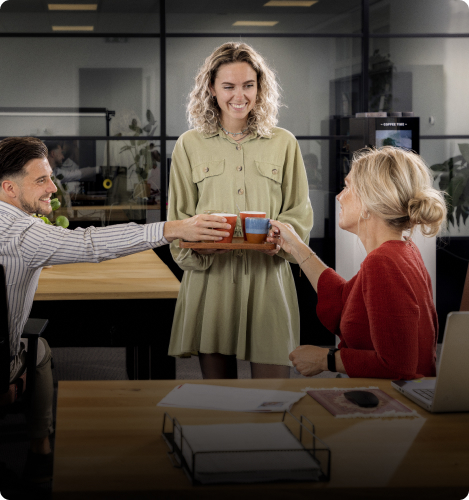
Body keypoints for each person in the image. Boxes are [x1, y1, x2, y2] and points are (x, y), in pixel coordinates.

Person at [0, 136, 231, 483]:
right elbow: (89, 244)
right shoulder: (22, 234)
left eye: (50, 176)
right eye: (41, 179)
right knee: (38, 351)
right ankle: (40, 449)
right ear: (8, 188)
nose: (53, 187)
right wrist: (175, 228)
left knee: (40, 349)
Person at [167, 42, 314, 379]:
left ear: (260, 88)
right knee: (220, 401)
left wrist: (279, 235)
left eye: (248, 85)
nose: (239, 95)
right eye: (228, 86)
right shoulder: (189, 144)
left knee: (272, 401)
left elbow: (299, 215)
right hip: (211, 283)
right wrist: (199, 242)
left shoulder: (284, 142)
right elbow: (178, 221)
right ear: (211, 90)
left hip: (269, 282)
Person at [268, 146, 447, 380]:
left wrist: (325, 359)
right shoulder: (402, 251)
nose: (339, 196)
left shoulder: (383, 262)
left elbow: (397, 366)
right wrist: (295, 246)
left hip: (395, 405)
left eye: (347, 186)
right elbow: (345, 302)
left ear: (369, 202)